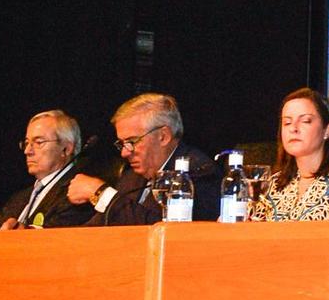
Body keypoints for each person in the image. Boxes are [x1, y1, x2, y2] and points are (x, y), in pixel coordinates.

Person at [67, 92, 222, 224]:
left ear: (163, 136)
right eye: (122, 143)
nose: (124, 153)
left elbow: (158, 228)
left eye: (132, 141)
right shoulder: (131, 177)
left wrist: (101, 193)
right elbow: (99, 226)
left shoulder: (199, 172)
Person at [250, 88, 329, 221]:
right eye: (287, 123)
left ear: (327, 131)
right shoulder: (272, 183)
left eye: (305, 121)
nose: (293, 128)